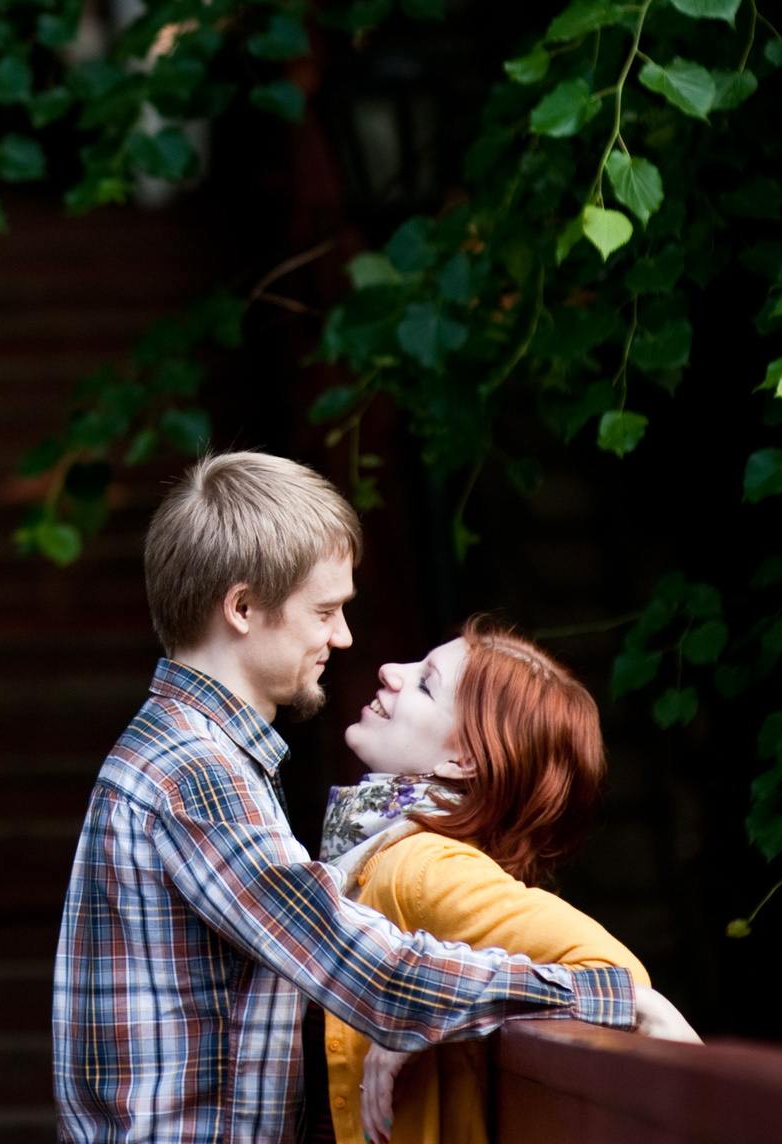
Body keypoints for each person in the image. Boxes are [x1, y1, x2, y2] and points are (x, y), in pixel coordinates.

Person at [54, 451, 695, 1143]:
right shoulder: (198, 776)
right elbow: (372, 976)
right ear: (242, 608)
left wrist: (422, 1023)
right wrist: (613, 1000)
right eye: (325, 610)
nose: (345, 637)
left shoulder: (193, 757)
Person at [317, 620, 701, 1142]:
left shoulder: (427, 867)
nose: (390, 671)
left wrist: (428, 1005)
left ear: (463, 761)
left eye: (426, 684)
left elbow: (617, 973)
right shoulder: (387, 850)